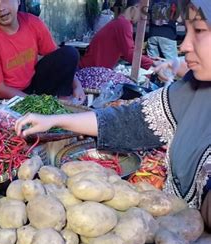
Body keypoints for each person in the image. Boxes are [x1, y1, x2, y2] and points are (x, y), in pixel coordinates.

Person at [16, 0, 211, 229]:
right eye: (187, 31)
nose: (184, 45)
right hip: (177, 230)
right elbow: (131, 119)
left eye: (198, 30)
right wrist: (54, 120)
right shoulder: (191, 90)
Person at [0, 0, 85, 103]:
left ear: (18, 1)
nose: (1, 8)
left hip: (32, 85)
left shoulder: (32, 22)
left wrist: (76, 85)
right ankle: (50, 105)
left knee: (69, 54)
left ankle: (64, 100)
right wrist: (33, 102)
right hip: (3, 98)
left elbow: (59, 59)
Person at [79, 0, 155, 70]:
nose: (143, 16)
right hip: (92, 70)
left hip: (93, 67)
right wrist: (152, 63)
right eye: (143, 11)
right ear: (136, 7)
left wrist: (151, 60)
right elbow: (129, 54)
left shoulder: (121, 21)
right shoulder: (124, 24)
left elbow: (126, 51)